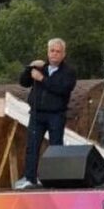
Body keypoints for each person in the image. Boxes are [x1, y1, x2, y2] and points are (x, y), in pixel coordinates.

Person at [15, 38, 76, 190]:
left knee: (56, 147)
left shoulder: (68, 72)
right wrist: (30, 67)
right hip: (37, 113)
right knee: (32, 146)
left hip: (56, 114)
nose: (54, 54)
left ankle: (56, 179)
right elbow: (23, 82)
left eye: (58, 51)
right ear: (48, 52)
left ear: (63, 54)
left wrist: (42, 79)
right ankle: (30, 178)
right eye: (52, 51)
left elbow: (63, 89)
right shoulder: (40, 68)